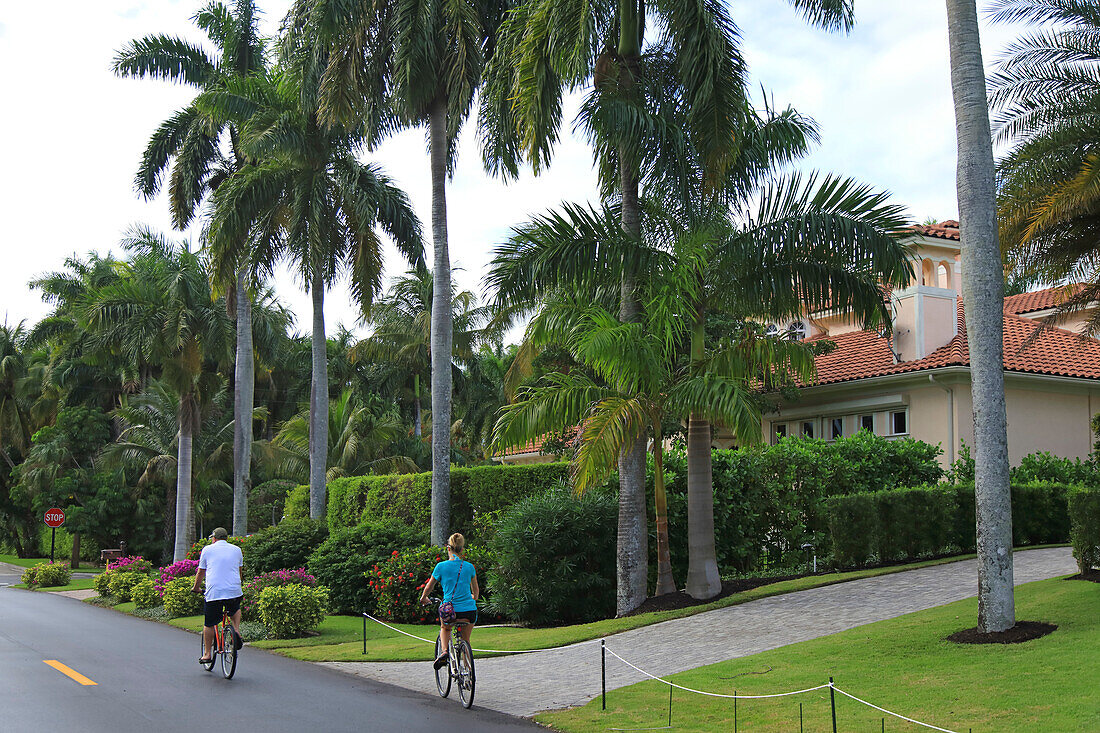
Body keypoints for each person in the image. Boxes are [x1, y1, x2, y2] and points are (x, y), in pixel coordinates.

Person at [419, 532, 479, 670]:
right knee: (466, 640)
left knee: (445, 628)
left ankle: (445, 651)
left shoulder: (441, 566)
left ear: (448, 548)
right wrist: (472, 597)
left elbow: (429, 587)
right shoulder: (469, 567)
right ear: (462, 549)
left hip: (450, 611)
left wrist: (424, 598)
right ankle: (469, 673)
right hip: (469, 611)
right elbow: (475, 592)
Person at [191, 527, 244, 664]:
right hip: (234, 590)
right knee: (235, 609)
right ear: (226, 538)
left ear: (214, 538)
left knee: (209, 623)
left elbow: (201, 572)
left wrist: (196, 588)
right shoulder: (237, 550)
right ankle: (236, 630)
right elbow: (239, 572)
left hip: (215, 592)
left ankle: (208, 654)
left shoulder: (207, 550)